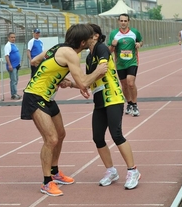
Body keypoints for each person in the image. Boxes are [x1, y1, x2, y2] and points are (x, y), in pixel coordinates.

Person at [21, 23, 108, 196]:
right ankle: (47, 182)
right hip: (35, 96)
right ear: (82, 42)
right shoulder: (70, 54)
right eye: (91, 38)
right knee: (51, 139)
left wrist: (55, 76)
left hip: (48, 97)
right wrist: (98, 71)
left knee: (60, 134)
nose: (93, 40)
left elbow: (35, 61)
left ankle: (55, 172)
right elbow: (84, 82)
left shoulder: (58, 48)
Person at [86, 23, 141, 189]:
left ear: (95, 36)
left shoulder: (102, 49)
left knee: (116, 134)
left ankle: (133, 170)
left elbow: (101, 71)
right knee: (97, 137)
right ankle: (111, 171)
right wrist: (76, 84)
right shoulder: (89, 57)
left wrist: (81, 82)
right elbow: (90, 80)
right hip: (99, 101)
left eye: (85, 35)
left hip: (113, 98)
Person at [108, 13, 143, 117]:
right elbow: (109, 50)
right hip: (120, 64)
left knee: (130, 83)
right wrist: (113, 45)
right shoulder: (114, 34)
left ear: (128, 22)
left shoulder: (134, 32)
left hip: (132, 62)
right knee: (124, 85)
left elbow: (141, 41)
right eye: (121, 21)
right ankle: (129, 103)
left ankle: (135, 105)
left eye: (125, 21)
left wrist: (139, 44)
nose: (123, 23)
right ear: (119, 22)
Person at [5, 32, 22, 100]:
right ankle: (14, 94)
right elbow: (6, 56)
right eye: (12, 37)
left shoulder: (14, 45)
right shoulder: (8, 45)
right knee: (13, 80)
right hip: (12, 66)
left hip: (16, 65)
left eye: (14, 37)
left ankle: (15, 93)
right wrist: (9, 65)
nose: (13, 38)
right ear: (8, 38)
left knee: (16, 80)